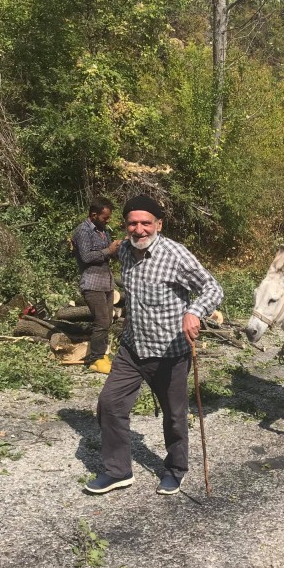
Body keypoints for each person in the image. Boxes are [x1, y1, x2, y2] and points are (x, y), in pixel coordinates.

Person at [85, 194, 223, 496]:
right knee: (109, 404)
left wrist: (194, 311)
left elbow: (213, 287)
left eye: (146, 223)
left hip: (170, 353)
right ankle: (117, 470)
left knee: (175, 416)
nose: (139, 229)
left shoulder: (175, 254)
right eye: (133, 223)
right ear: (126, 226)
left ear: (158, 224)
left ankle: (176, 469)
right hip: (133, 349)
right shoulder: (123, 251)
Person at [71, 198, 123, 374]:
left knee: (107, 321)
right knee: (101, 321)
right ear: (93, 215)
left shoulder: (103, 231)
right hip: (92, 283)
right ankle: (96, 359)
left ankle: (103, 356)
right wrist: (109, 250)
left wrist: (117, 249)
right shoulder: (83, 231)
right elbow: (86, 257)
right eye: (105, 217)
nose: (108, 220)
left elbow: (108, 255)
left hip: (106, 282)